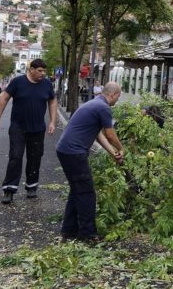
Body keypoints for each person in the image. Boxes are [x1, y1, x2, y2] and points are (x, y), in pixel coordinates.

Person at [55, 82, 124, 242]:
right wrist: (121, 148)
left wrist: (113, 153)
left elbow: (97, 134)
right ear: (112, 95)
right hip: (74, 152)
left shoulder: (94, 103)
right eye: (118, 97)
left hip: (65, 150)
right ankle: (88, 234)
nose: (117, 101)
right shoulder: (103, 108)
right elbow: (110, 135)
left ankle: (69, 230)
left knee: (77, 190)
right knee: (87, 193)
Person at [0, 59, 57, 204]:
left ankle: (31, 187)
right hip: (18, 127)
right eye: (40, 71)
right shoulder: (18, 82)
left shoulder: (46, 84)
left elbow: (52, 101)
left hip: (38, 128)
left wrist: (52, 121)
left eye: (44, 71)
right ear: (31, 69)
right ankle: (9, 190)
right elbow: (4, 99)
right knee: (15, 157)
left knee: (35, 158)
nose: (43, 74)